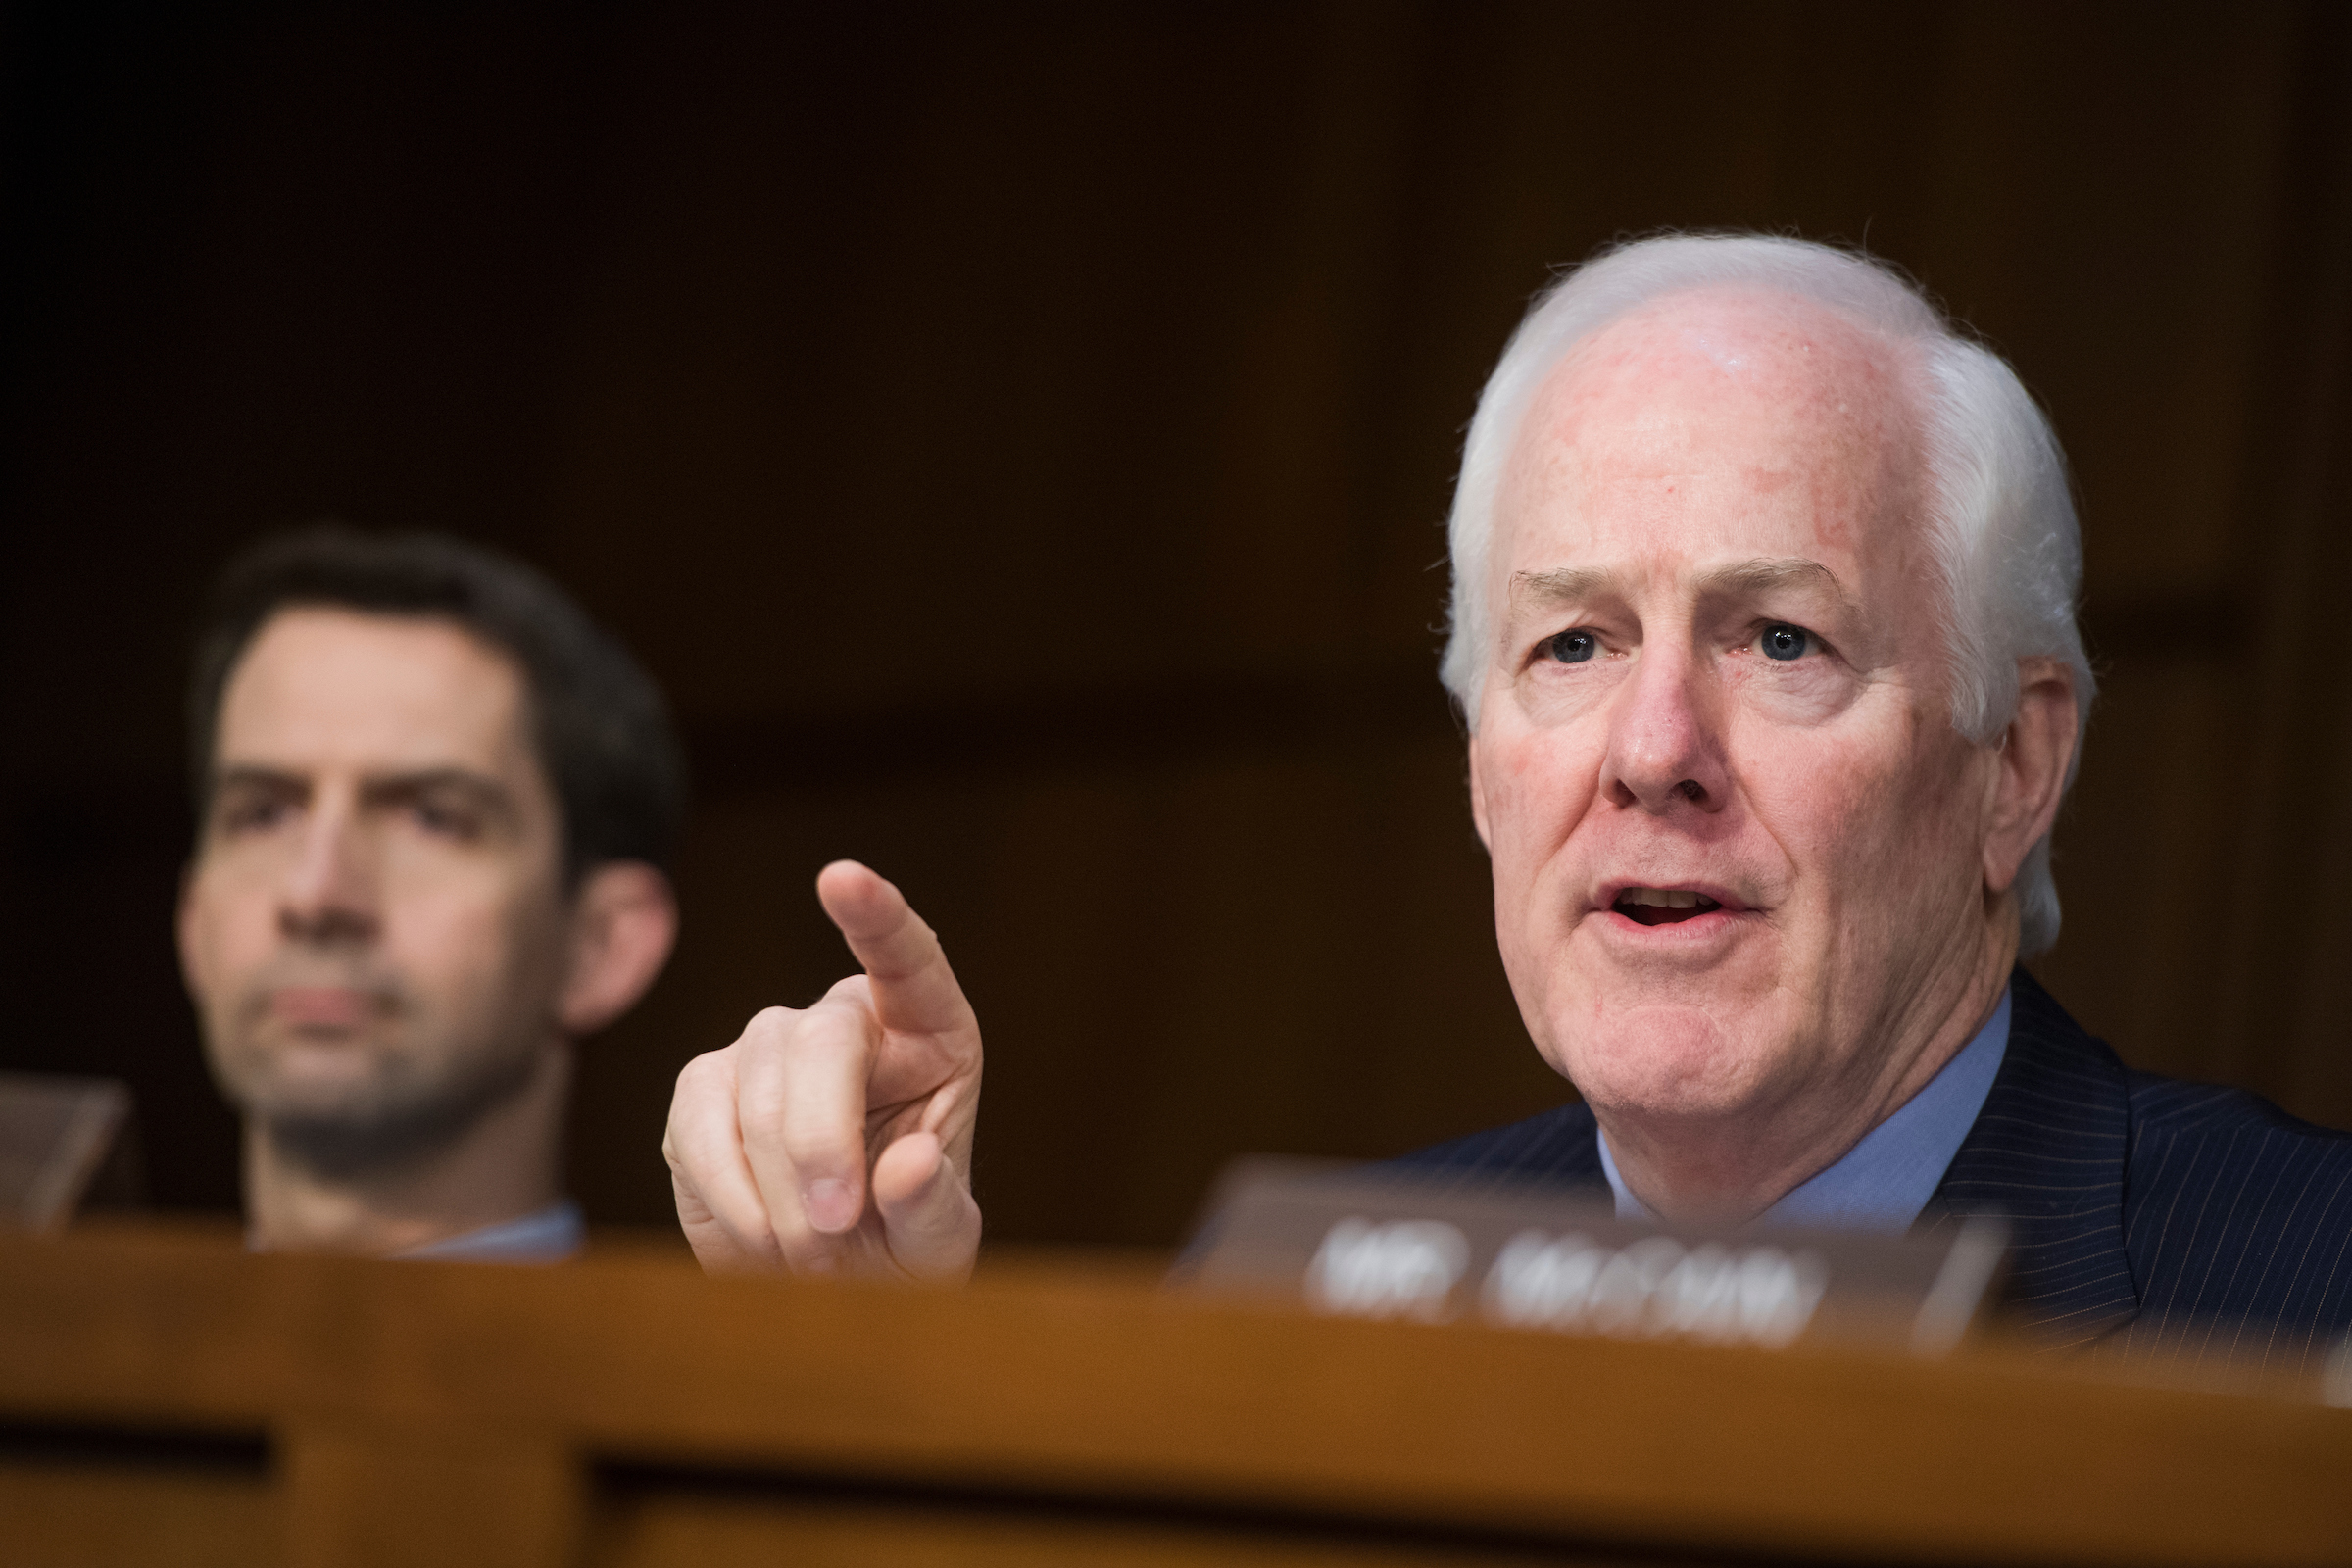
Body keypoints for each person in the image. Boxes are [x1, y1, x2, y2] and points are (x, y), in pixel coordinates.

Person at [664, 233, 2350, 1361]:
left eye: (1780, 638)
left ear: (2016, 767)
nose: (1653, 747)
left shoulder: (2303, 1302)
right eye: (1572, 645)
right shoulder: (1292, 1333)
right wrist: (892, 1351)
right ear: (1482, 768)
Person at [178, 528, 687, 1259]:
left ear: (600, 945)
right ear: (193, 919)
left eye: (433, 819)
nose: (315, 895)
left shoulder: (725, 1374)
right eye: (263, 814)